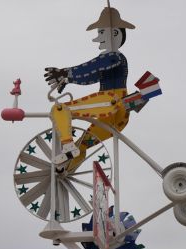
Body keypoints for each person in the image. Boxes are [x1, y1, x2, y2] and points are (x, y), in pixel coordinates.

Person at [43, 6, 135, 170]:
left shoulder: (114, 56)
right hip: (116, 116)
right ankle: (65, 170)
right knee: (83, 145)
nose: (98, 37)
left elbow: (93, 67)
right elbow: (91, 76)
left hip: (111, 102)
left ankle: (67, 145)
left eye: (101, 32)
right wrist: (68, 78)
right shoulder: (111, 59)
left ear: (114, 34)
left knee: (60, 109)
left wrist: (66, 72)